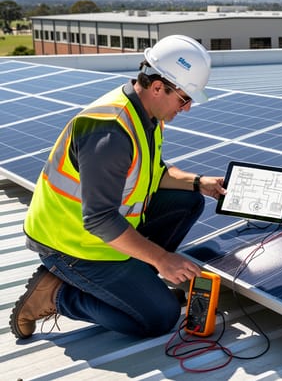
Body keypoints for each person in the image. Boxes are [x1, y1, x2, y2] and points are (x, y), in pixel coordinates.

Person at [10, 34, 226, 340]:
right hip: (71, 244)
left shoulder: (146, 115)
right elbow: (99, 219)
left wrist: (198, 182)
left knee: (188, 200)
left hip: (98, 233)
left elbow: (153, 173)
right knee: (159, 317)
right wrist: (161, 259)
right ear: (157, 87)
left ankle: (133, 287)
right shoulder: (110, 132)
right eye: (184, 98)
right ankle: (58, 295)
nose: (187, 108)